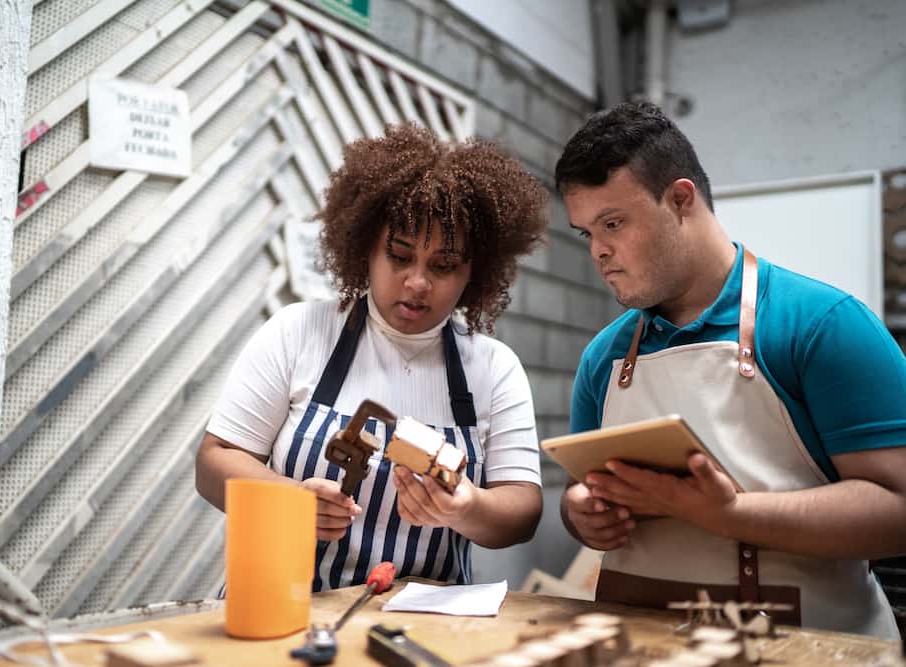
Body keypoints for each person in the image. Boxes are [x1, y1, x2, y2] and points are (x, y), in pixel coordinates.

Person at [554, 101, 906, 638]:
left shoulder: (822, 326)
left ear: (679, 201)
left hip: (807, 648)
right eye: (588, 234)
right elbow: (580, 494)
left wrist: (731, 516)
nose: (599, 252)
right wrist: (582, 514)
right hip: (639, 645)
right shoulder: (604, 358)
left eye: (614, 223)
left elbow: (898, 511)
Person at [196, 123, 548, 591]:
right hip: (280, 609)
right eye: (399, 256)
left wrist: (468, 508)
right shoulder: (298, 332)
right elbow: (214, 462)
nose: (418, 282)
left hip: (424, 631)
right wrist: (288, 498)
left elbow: (522, 510)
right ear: (365, 249)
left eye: (443, 266)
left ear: (474, 273)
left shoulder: (494, 369)